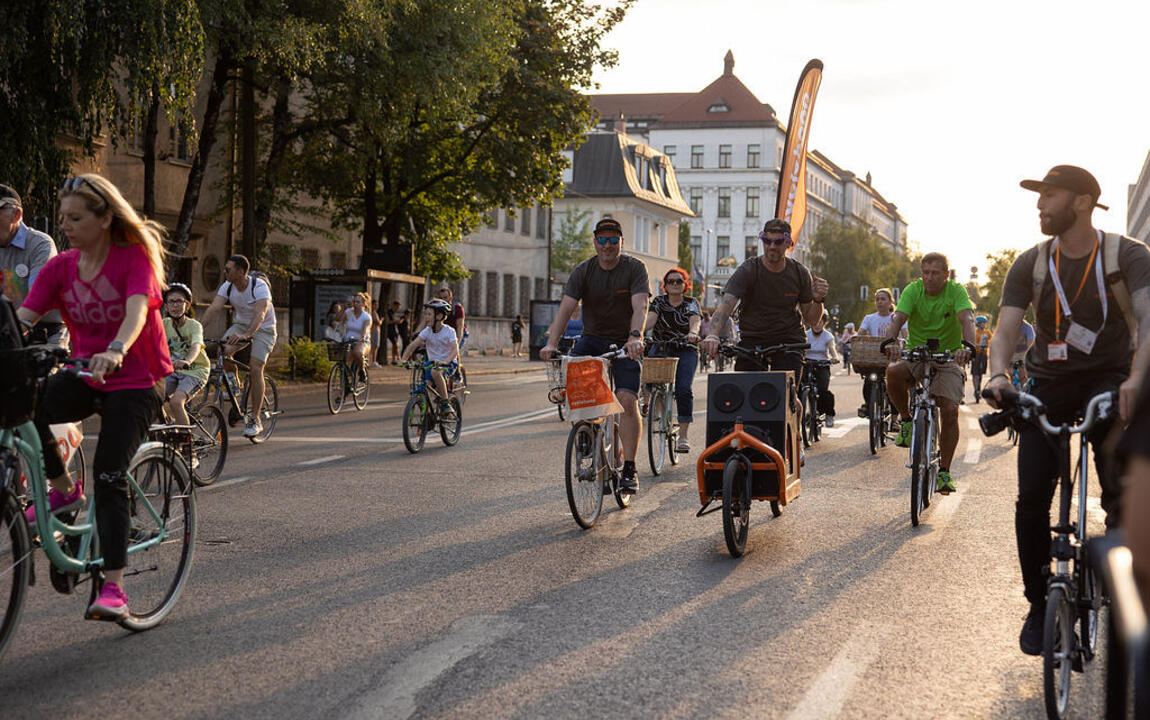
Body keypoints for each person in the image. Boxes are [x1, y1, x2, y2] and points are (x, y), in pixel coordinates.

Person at [983, 164, 1150, 656]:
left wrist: (1139, 380)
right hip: (1049, 383)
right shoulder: (1031, 263)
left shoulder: (1128, 256)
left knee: (1122, 491)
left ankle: (1125, 591)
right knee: (1031, 497)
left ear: (1082, 201)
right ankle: (1039, 604)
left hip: (1111, 379)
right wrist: (997, 375)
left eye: (1049, 195)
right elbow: (1006, 330)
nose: (1040, 205)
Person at [17, 173, 173, 621]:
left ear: (104, 218)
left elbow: (137, 310)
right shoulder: (61, 267)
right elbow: (23, 317)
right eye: (62, 217)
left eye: (76, 217)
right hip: (85, 372)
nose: (65, 224)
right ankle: (64, 491)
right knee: (25, 404)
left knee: (109, 472)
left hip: (137, 379)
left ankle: (114, 586)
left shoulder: (132, 258)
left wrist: (117, 350)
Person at [541, 217, 648, 494]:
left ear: (621, 242)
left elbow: (641, 305)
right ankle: (587, 431)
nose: (608, 245)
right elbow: (566, 309)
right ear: (595, 242)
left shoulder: (635, 268)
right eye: (602, 240)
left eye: (614, 240)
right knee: (578, 390)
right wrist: (551, 343)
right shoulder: (584, 270)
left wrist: (635, 337)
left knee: (626, 398)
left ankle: (630, 469)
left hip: (625, 342)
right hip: (592, 339)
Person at [882, 252, 975, 494]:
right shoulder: (913, 291)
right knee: (893, 373)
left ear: (946, 274)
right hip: (917, 354)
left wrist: (966, 348)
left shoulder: (956, 292)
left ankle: (944, 471)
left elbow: (967, 319)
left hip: (948, 357)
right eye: (926, 273)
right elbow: (898, 318)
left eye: (935, 273)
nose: (930, 278)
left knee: (950, 410)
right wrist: (891, 341)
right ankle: (905, 420)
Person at [701, 218, 829, 379]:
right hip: (753, 339)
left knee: (785, 392)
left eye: (778, 242)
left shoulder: (799, 273)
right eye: (767, 241)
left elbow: (811, 320)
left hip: (788, 340)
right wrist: (713, 335)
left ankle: (794, 403)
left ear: (788, 243)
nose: (772, 246)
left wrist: (818, 300)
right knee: (744, 393)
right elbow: (726, 306)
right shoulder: (749, 269)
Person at [200, 254, 278, 438]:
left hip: (264, 329)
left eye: (228, 269)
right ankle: (234, 383)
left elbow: (260, 313)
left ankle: (255, 419)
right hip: (241, 325)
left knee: (255, 366)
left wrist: (247, 335)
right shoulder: (227, 287)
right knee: (222, 350)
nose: (224, 271)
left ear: (241, 271)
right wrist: (198, 330)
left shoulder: (258, 286)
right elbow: (214, 308)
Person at [0, 184, 68, 347]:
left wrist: (11, 334)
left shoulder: (40, 245)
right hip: (6, 334)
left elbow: (39, 298)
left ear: (16, 215)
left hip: (44, 334)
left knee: (43, 371)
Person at [644, 267, 701, 452]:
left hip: (686, 349)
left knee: (683, 389)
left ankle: (683, 437)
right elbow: (651, 320)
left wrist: (693, 333)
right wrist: (637, 332)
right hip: (662, 347)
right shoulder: (659, 302)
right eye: (671, 281)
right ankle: (659, 412)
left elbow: (695, 321)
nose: (675, 284)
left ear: (685, 285)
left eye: (679, 281)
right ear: (665, 285)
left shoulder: (691, 302)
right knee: (650, 383)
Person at [400, 299, 460, 413]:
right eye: (425, 314)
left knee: (435, 372)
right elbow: (413, 345)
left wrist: (446, 361)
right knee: (425, 385)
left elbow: (454, 350)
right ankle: (427, 416)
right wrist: (403, 360)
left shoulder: (449, 331)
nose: (426, 317)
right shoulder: (427, 331)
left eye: (429, 314)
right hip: (431, 363)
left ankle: (445, 402)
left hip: (448, 363)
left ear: (439, 316)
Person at [162, 283, 209, 425]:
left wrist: (187, 361)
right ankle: (170, 425)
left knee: (176, 402)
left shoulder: (194, 326)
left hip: (195, 371)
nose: (175, 306)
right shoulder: (163, 324)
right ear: (166, 306)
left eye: (179, 301)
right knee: (153, 398)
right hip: (172, 370)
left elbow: (196, 346)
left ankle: (185, 443)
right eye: (171, 302)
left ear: (187, 306)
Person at [855, 288, 900, 417]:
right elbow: (860, 334)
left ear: (891, 302)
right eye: (877, 299)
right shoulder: (869, 318)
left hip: (892, 357)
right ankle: (868, 405)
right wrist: (855, 339)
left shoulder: (896, 318)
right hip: (874, 357)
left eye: (883, 299)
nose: (879, 302)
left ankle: (895, 418)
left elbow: (904, 335)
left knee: (894, 384)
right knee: (868, 380)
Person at [805, 312, 839, 427]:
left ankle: (829, 414)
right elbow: (801, 350)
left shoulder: (828, 336)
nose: (817, 324)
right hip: (807, 364)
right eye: (815, 321)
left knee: (823, 391)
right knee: (801, 388)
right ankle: (805, 413)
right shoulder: (805, 335)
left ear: (824, 323)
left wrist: (834, 357)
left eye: (820, 322)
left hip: (822, 365)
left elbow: (832, 348)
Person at [342, 292, 372, 380]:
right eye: (354, 302)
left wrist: (362, 337)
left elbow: (365, 330)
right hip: (348, 341)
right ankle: (346, 383)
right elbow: (339, 320)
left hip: (362, 342)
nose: (355, 304)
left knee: (357, 352)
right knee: (344, 360)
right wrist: (344, 309)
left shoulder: (366, 317)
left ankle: (362, 371)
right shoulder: (349, 312)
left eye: (358, 302)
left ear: (363, 304)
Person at [971, 315, 993, 403]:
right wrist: (976, 345)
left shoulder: (987, 332)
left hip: (984, 355)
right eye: (983, 323)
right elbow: (972, 342)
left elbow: (992, 340)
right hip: (976, 354)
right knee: (975, 373)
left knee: (981, 373)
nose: (985, 324)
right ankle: (976, 390)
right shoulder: (975, 332)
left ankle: (978, 389)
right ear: (978, 324)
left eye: (985, 323)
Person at [386, 300, 403, 364]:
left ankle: (394, 359)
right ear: (394, 305)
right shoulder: (389, 312)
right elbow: (388, 322)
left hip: (394, 330)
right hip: (390, 330)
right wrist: (395, 321)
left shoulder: (394, 313)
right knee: (395, 344)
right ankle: (398, 358)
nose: (398, 309)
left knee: (395, 344)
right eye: (397, 307)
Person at [369, 299, 383, 367]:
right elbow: (377, 322)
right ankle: (373, 361)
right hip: (375, 330)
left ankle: (373, 360)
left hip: (376, 330)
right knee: (375, 346)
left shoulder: (374, 312)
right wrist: (381, 321)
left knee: (375, 346)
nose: (377, 306)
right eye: (375, 304)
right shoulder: (373, 312)